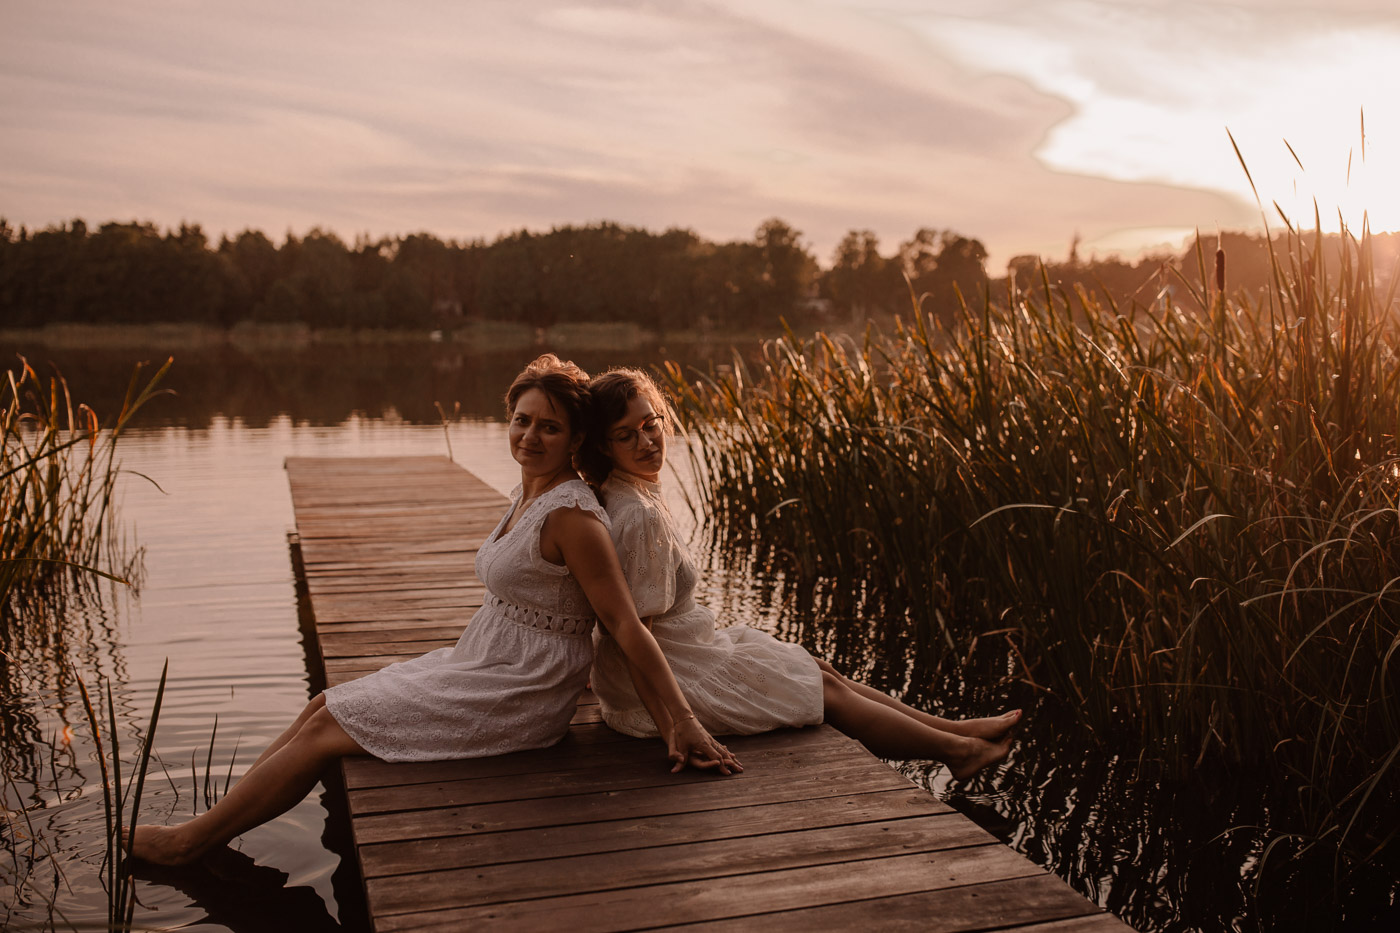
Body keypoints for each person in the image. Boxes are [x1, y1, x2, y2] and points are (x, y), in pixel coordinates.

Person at [131, 355, 739, 867]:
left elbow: (625, 625)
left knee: (324, 731)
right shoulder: (532, 490)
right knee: (322, 705)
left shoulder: (574, 518)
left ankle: (191, 843)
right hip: (486, 659)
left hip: (521, 690)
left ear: (576, 439)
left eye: (549, 428)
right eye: (521, 421)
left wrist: (680, 720)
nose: (530, 436)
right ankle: (213, 820)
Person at [580, 368, 1019, 781]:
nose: (647, 441)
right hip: (660, 688)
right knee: (825, 692)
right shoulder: (638, 514)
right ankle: (961, 752)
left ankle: (959, 730)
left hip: (680, 657)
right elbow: (632, 635)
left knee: (817, 668)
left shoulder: (625, 492)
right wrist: (679, 725)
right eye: (626, 435)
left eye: (650, 425)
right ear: (603, 446)